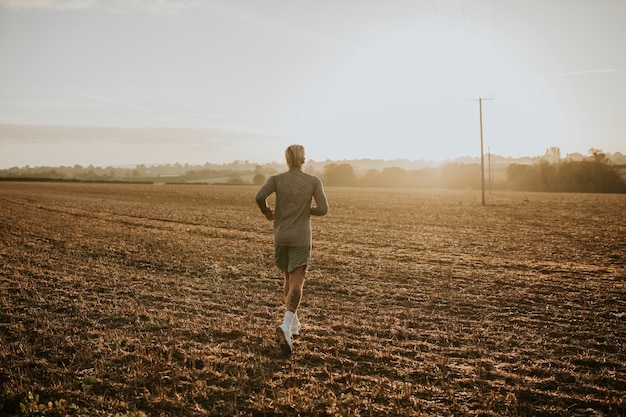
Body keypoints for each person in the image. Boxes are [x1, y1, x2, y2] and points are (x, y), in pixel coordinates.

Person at [255, 144, 328, 355]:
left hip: (281, 236)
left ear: (286, 159)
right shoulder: (313, 181)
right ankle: (286, 327)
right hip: (300, 237)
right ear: (304, 159)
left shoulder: (277, 179)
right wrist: (306, 209)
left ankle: (294, 324)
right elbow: (323, 209)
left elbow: (260, 197)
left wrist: (267, 212)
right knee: (297, 281)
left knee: (287, 279)